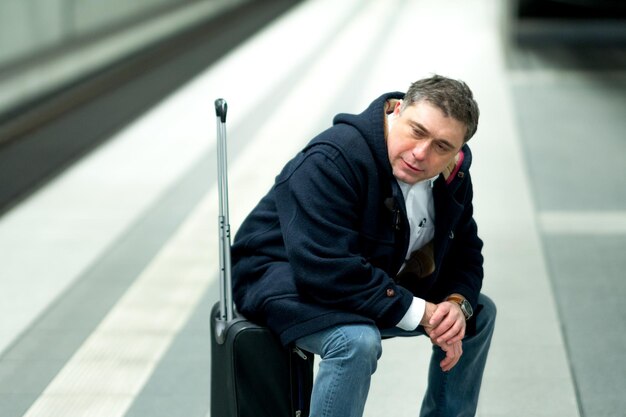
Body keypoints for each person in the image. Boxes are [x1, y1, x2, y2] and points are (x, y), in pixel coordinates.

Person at [231, 74, 496, 417]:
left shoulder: (452, 175)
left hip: (367, 273)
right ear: (397, 110)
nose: (421, 153)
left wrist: (455, 305)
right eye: (417, 131)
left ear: (457, 150)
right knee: (355, 341)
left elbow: (466, 252)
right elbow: (325, 267)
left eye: (442, 146)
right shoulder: (332, 159)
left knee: (477, 313)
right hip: (284, 276)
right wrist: (421, 311)